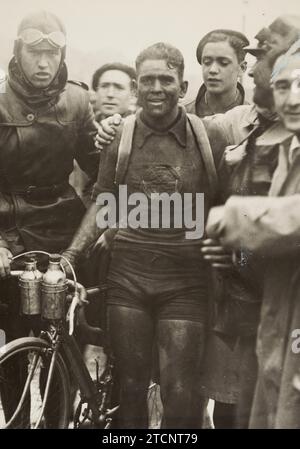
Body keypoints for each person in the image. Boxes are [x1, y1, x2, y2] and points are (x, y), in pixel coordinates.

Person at [63, 42, 227, 429]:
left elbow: (228, 207)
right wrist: (71, 255)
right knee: (131, 386)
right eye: (148, 80)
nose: (157, 87)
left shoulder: (209, 137)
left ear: (183, 87)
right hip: (128, 276)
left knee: (180, 391)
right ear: (137, 89)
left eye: (166, 80)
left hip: (186, 280)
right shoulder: (120, 136)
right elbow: (105, 201)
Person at [0, 10, 98, 425]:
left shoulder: (77, 100)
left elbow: (100, 170)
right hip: (9, 229)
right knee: (15, 337)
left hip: (63, 227)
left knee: (61, 342)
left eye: (52, 53)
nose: (43, 63)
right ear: (17, 52)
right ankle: (19, 419)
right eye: (34, 52)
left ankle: (58, 419)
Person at [205, 45, 300, 428]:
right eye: (282, 86)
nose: (292, 98)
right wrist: (233, 253)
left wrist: (234, 219)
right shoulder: (289, 153)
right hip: (275, 307)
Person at [186, 29, 249, 116]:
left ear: (242, 68)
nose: (213, 70)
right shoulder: (184, 115)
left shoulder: (253, 120)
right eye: (207, 62)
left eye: (223, 63)